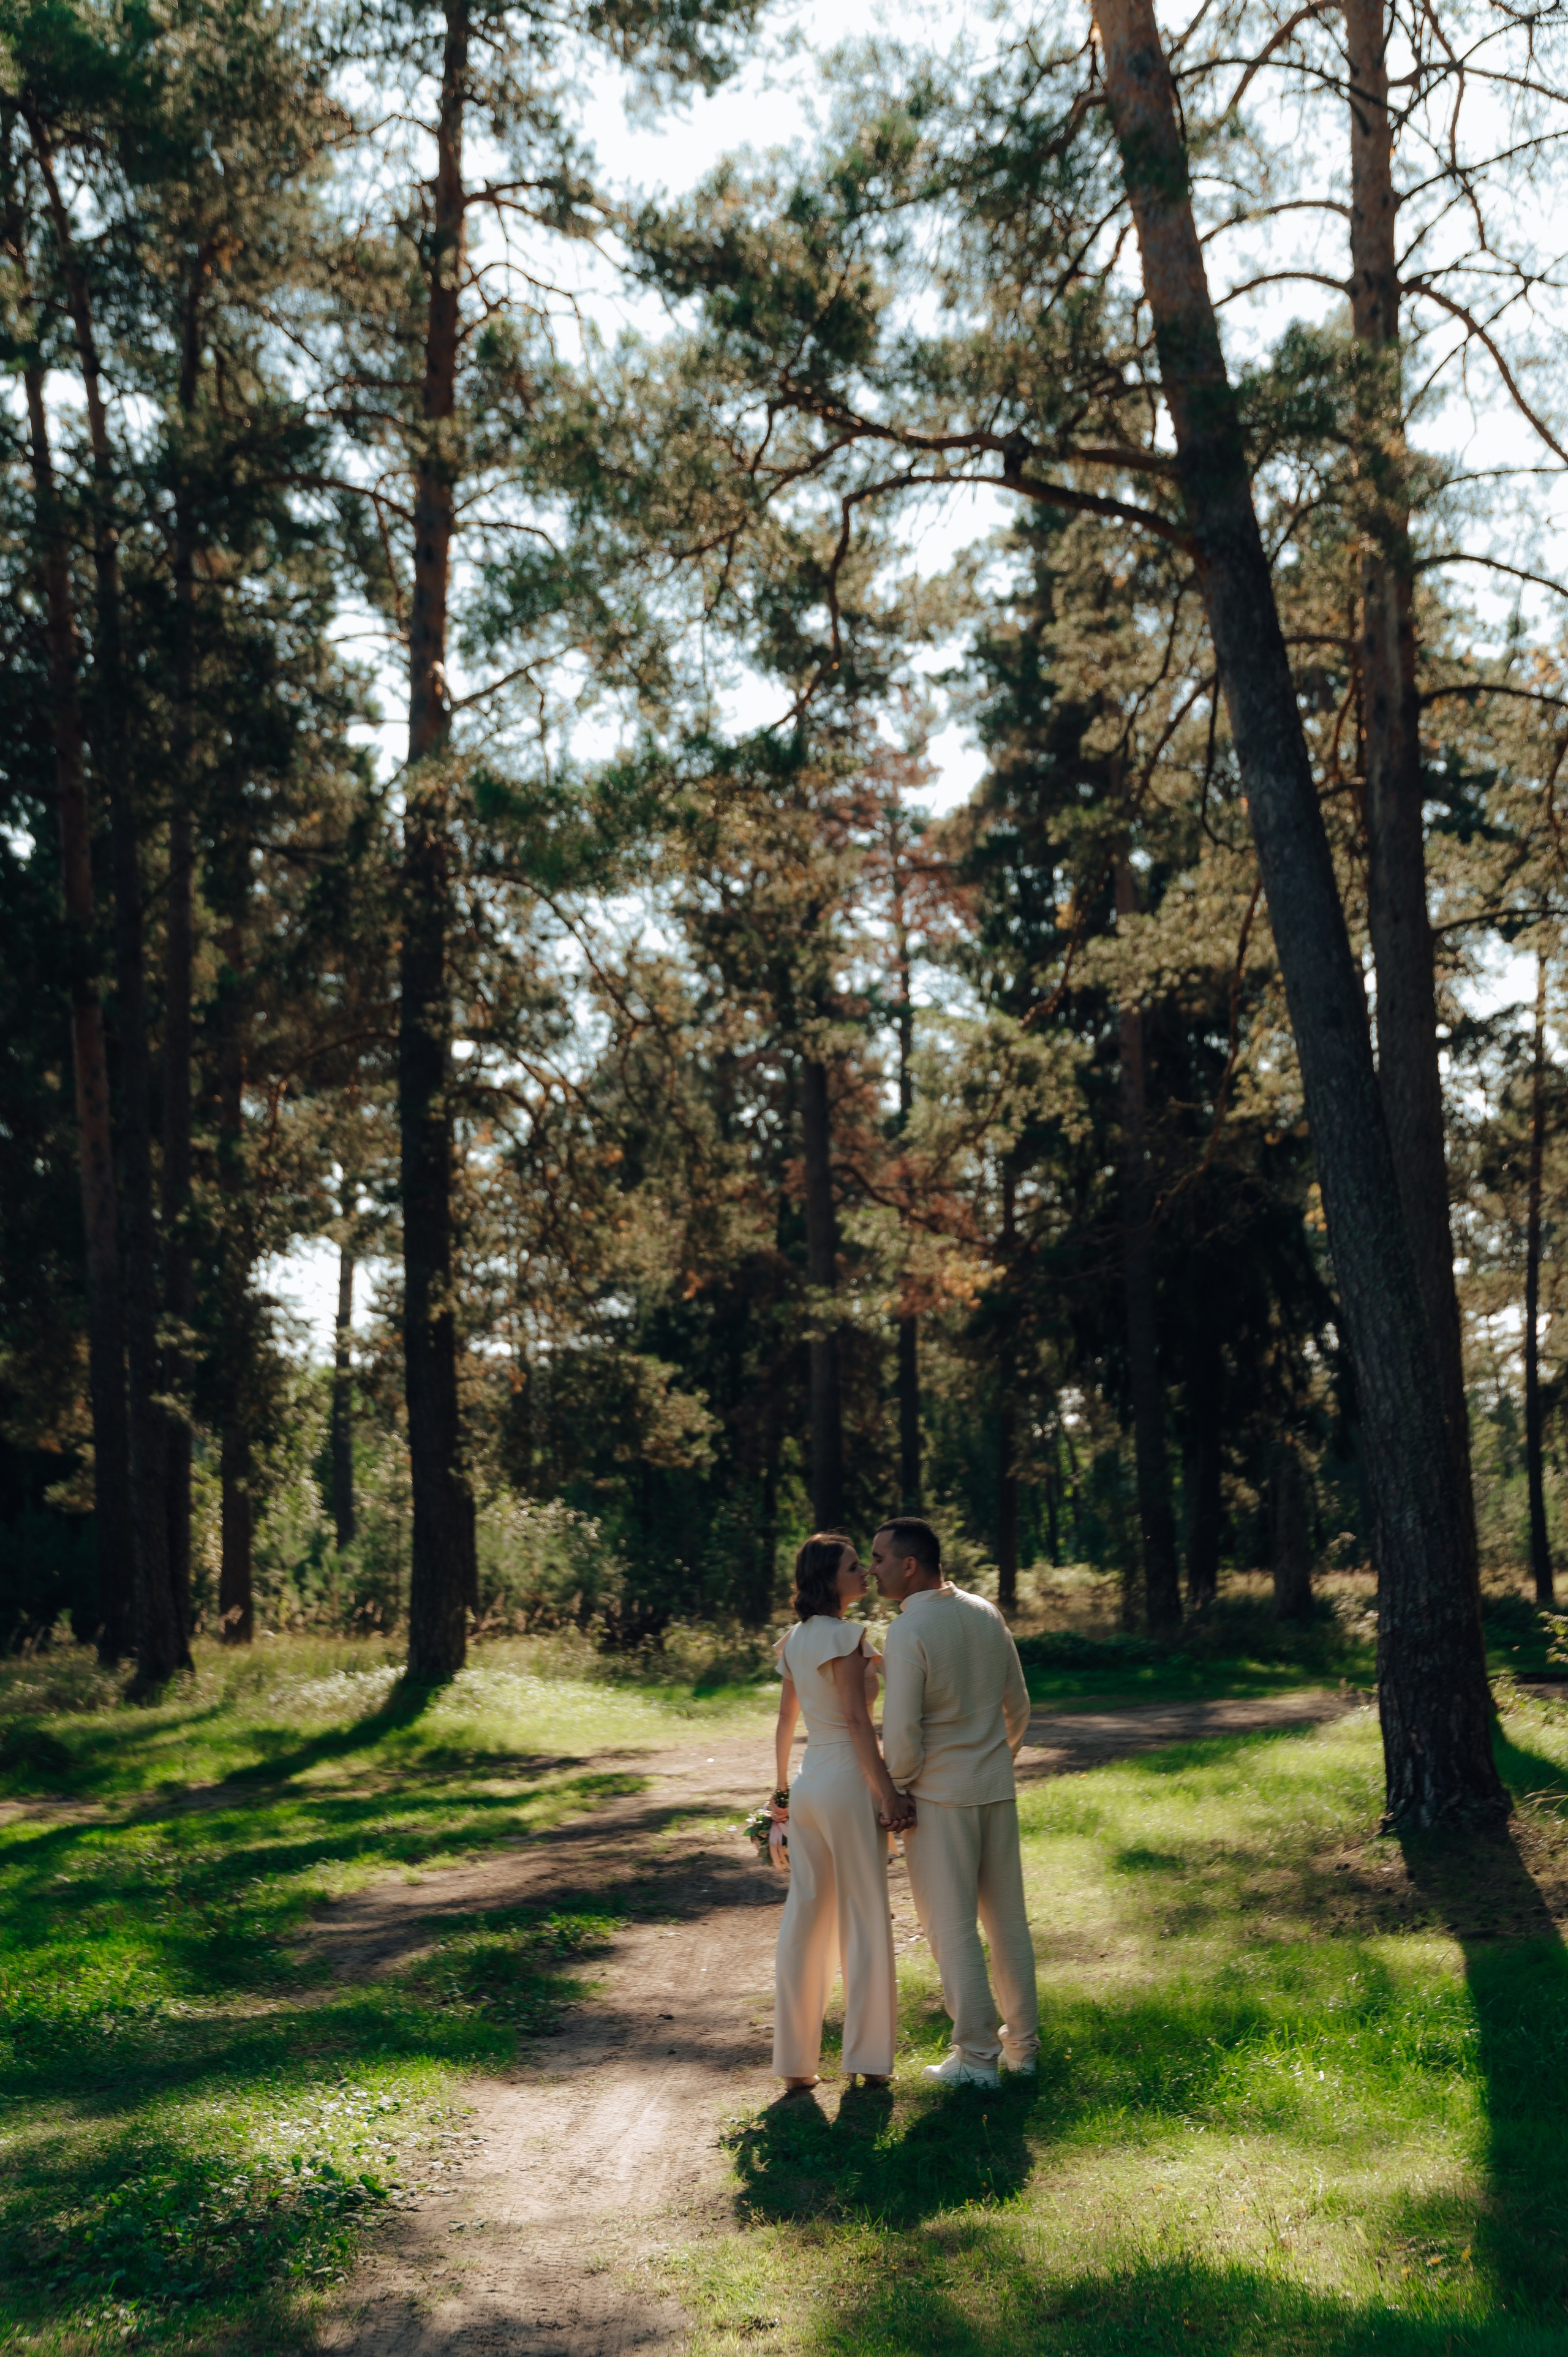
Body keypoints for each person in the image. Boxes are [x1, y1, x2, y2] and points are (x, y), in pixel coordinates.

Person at [872, 1515, 1038, 2090]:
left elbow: (902, 1733)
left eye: (879, 1559)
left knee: (952, 1928)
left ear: (909, 1564)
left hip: (939, 1796)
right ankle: (1025, 2049)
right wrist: (997, 1758)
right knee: (1008, 1923)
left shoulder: (909, 1630)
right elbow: (1018, 1705)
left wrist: (898, 1787)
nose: (872, 1569)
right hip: (995, 1787)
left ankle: (975, 2058)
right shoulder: (985, 1612)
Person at [770, 1531, 914, 2091]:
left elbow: (786, 1723)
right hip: (848, 1785)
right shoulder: (850, 1637)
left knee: (806, 1920)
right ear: (829, 1579)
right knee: (866, 1918)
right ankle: (869, 2058)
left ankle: (795, 2063)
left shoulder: (794, 1640)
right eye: (855, 1567)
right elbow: (859, 1724)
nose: (865, 1574)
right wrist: (887, 1793)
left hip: (809, 1787)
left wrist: (781, 1791)